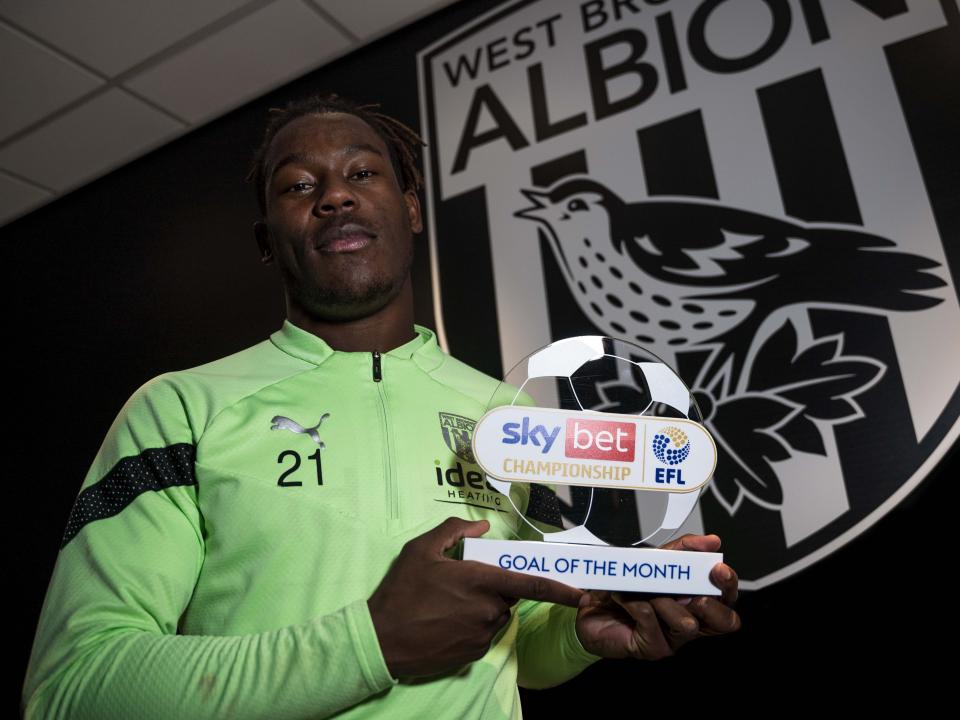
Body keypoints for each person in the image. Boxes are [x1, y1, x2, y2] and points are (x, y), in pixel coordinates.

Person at [22, 94, 740, 719]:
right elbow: (73, 689)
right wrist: (372, 643)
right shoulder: (180, 409)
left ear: (411, 209)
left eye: (362, 173)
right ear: (267, 241)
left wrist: (579, 631)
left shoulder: (505, 413)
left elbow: (520, 641)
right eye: (299, 185)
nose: (335, 196)